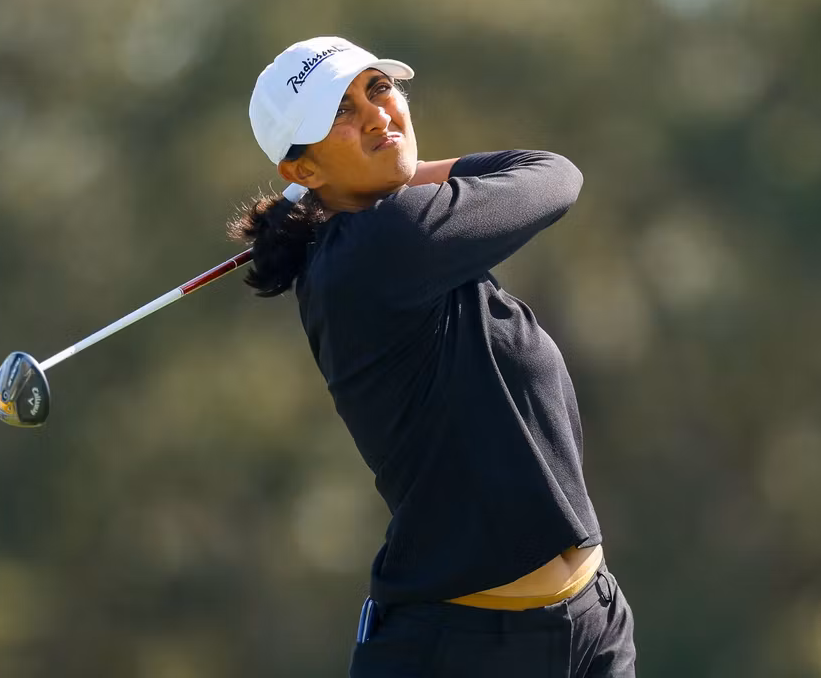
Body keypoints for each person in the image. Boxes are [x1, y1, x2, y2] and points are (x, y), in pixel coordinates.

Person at [229, 36, 638, 677]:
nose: (377, 115)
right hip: (465, 649)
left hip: (591, 622)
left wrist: (380, 173)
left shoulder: (378, 240)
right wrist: (404, 170)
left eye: (378, 89)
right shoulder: (384, 244)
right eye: (341, 112)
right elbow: (552, 174)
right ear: (302, 172)